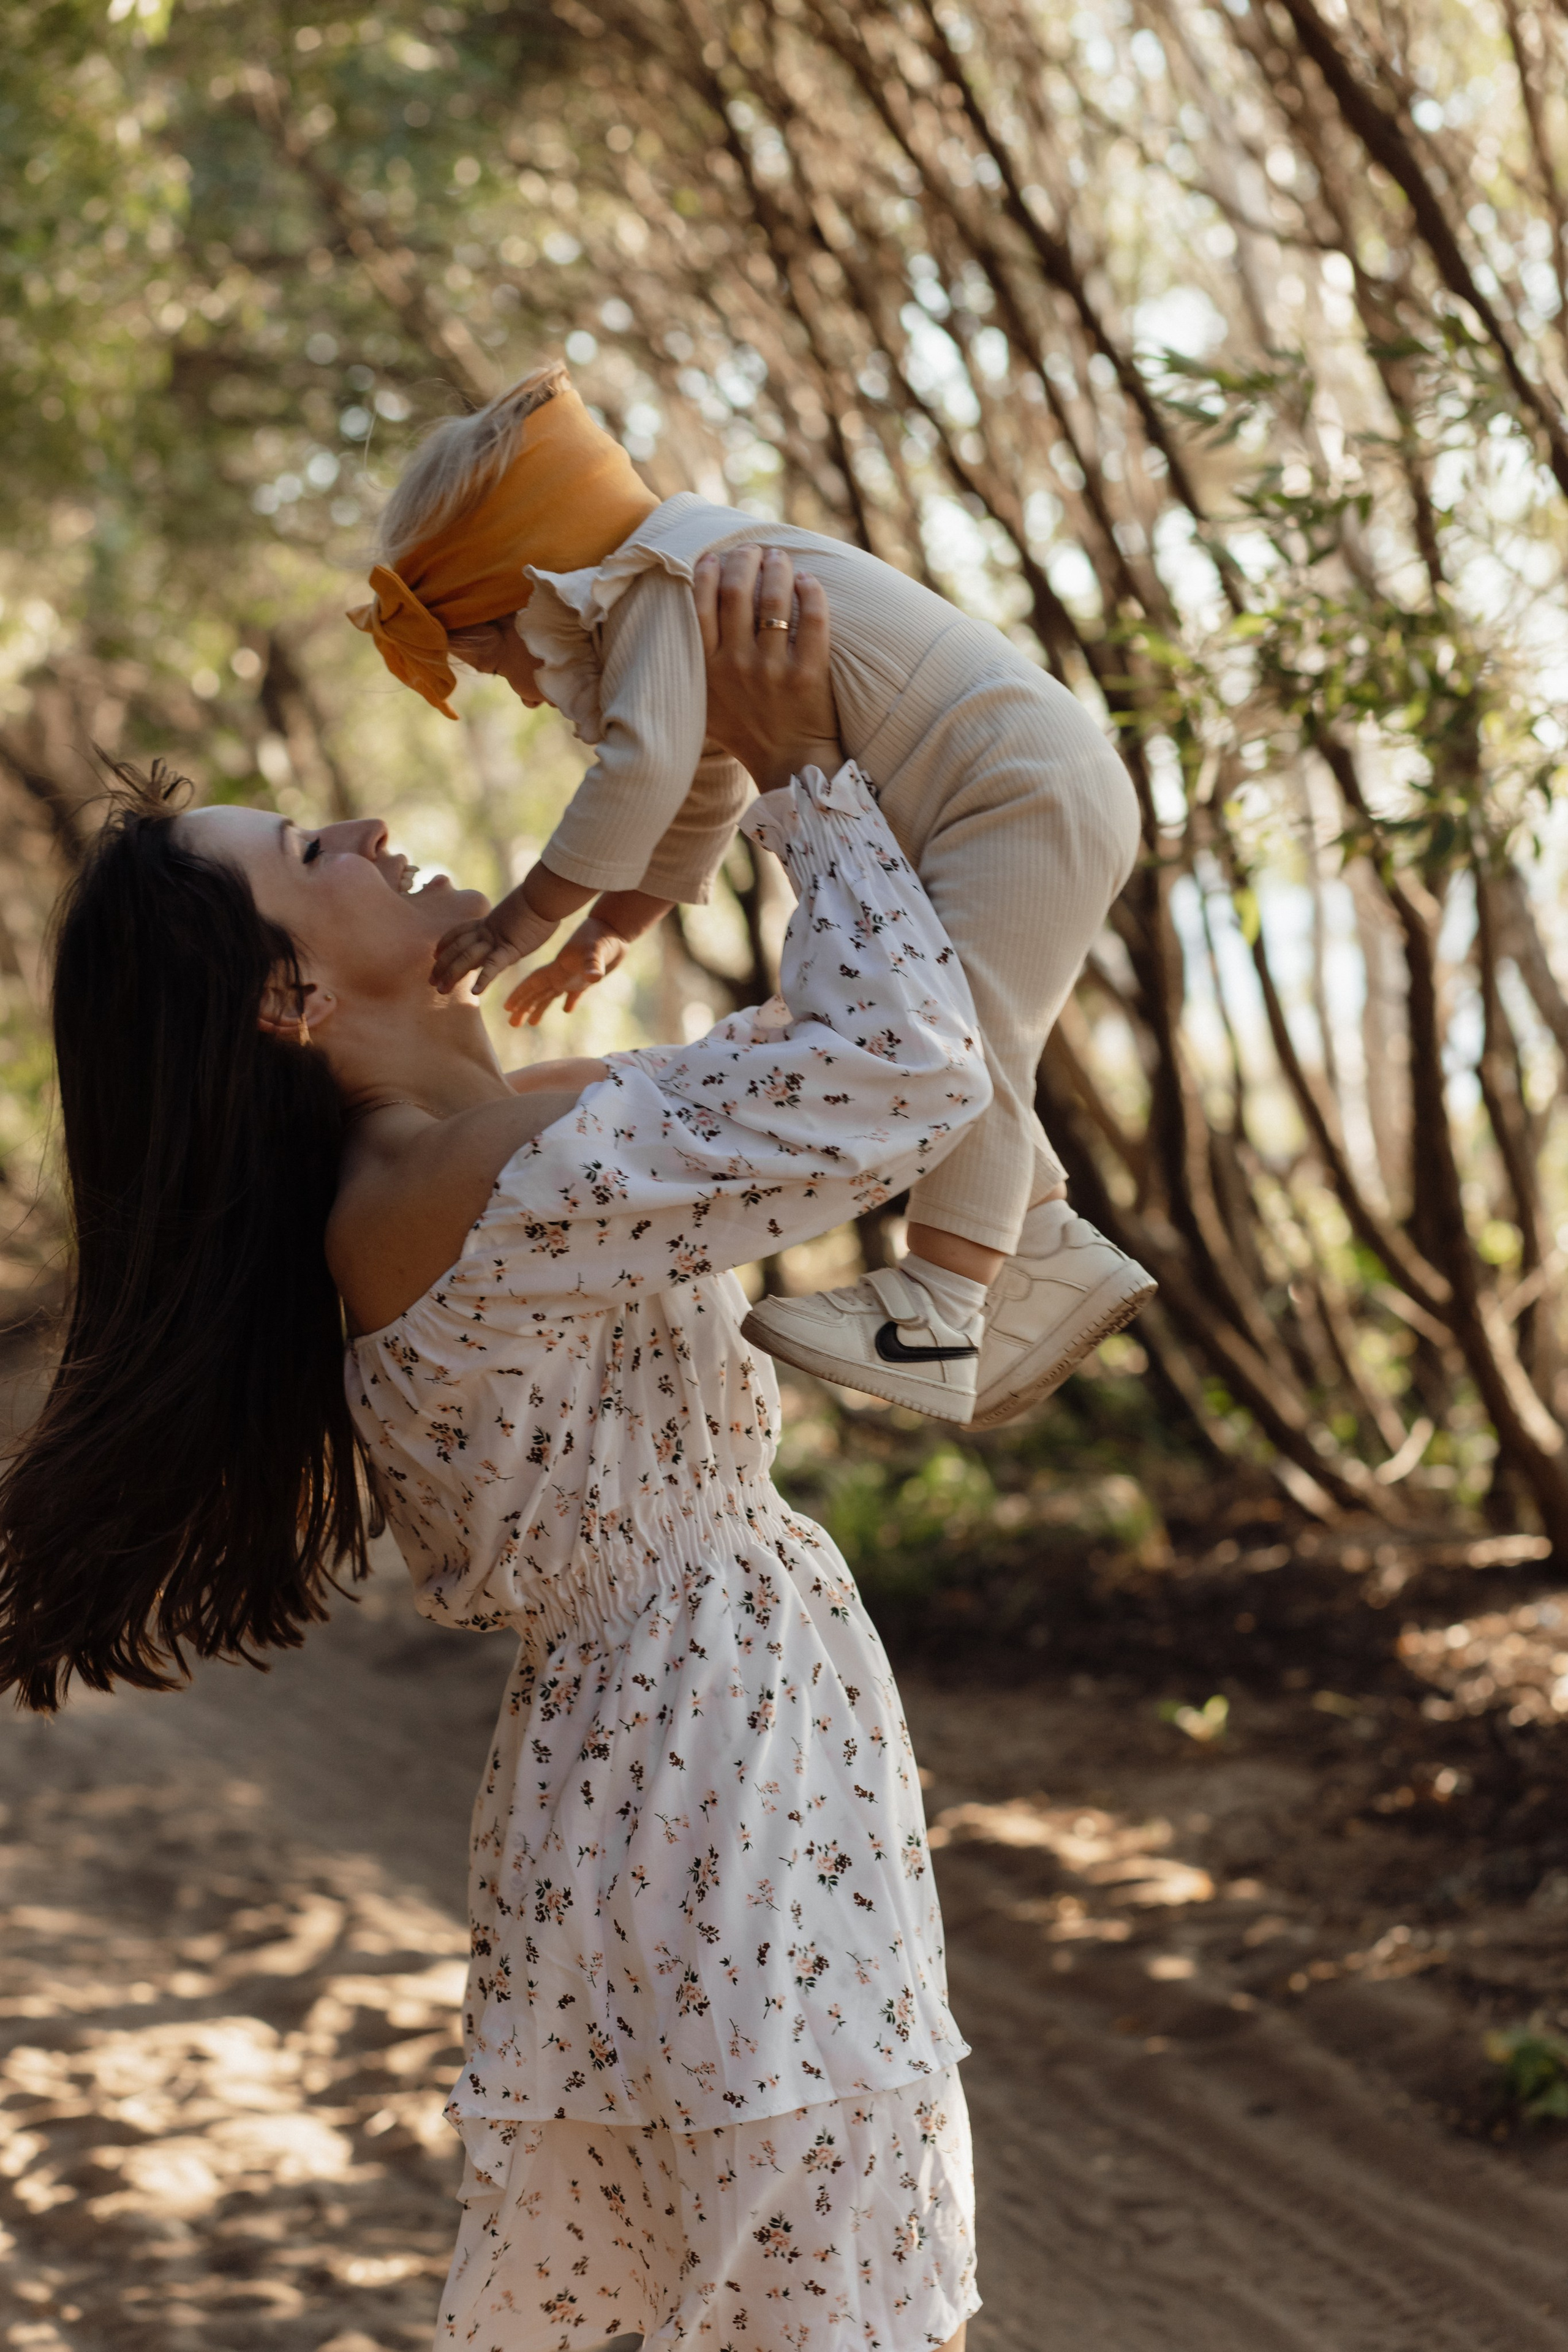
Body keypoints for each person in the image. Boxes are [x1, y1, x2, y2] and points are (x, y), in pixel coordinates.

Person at [0, 559, 982, 2352]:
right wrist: (793, 767)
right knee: (804, 2284)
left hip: (656, 1766)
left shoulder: (483, 1145)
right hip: (714, 1770)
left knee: (674, 2286)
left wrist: (667, 834)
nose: (371, 823)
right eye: (314, 853)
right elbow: (905, 1078)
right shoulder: (460, 1188)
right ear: (289, 1007)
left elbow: (788, 1072)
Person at [349, 359, 1154, 1430]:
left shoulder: (661, 590)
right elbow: (708, 778)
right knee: (966, 1024)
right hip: (1019, 786)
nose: (511, 686)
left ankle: (941, 1309)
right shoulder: (682, 575)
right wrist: (614, 927)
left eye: (485, 658)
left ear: (524, 601)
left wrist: (525, 919)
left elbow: (640, 773)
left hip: (1013, 793)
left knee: (967, 1039)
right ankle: (1046, 1252)